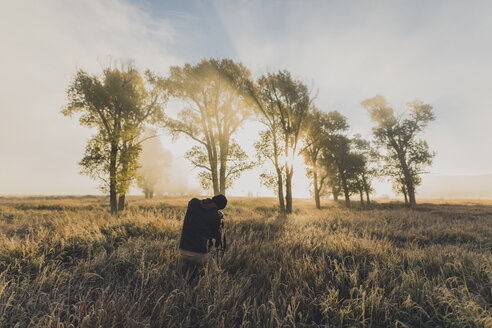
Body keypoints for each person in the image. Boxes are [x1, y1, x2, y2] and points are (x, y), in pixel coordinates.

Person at [178, 194, 227, 282]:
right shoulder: (215, 216)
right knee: (217, 275)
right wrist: (219, 219)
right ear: (220, 208)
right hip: (199, 254)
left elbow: (201, 207)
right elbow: (216, 238)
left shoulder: (193, 203)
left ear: (213, 198)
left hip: (183, 251)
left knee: (181, 277)